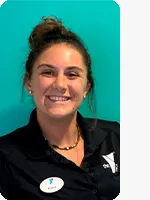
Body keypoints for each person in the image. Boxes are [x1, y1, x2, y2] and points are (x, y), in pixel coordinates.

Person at [0, 16, 120, 200]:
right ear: (28, 82)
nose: (60, 84)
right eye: (48, 72)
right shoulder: (5, 158)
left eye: (72, 74)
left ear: (86, 87)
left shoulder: (117, 137)